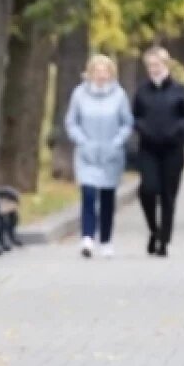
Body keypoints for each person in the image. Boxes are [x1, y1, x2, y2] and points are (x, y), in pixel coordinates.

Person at [65, 53, 133, 258]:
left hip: (110, 154)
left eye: (105, 72)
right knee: (88, 194)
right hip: (87, 153)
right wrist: (82, 140)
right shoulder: (79, 94)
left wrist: (117, 142)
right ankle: (87, 237)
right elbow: (71, 122)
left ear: (112, 74)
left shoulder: (119, 96)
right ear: (90, 73)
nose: (101, 75)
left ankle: (106, 240)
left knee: (107, 198)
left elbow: (127, 123)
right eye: (97, 71)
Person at [132, 47, 184, 258]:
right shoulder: (142, 91)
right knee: (148, 190)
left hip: (172, 149)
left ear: (166, 65)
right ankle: (153, 228)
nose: (153, 69)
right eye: (150, 66)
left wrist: (177, 132)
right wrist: (143, 129)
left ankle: (164, 239)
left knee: (168, 194)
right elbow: (136, 116)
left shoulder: (179, 90)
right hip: (149, 148)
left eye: (157, 65)